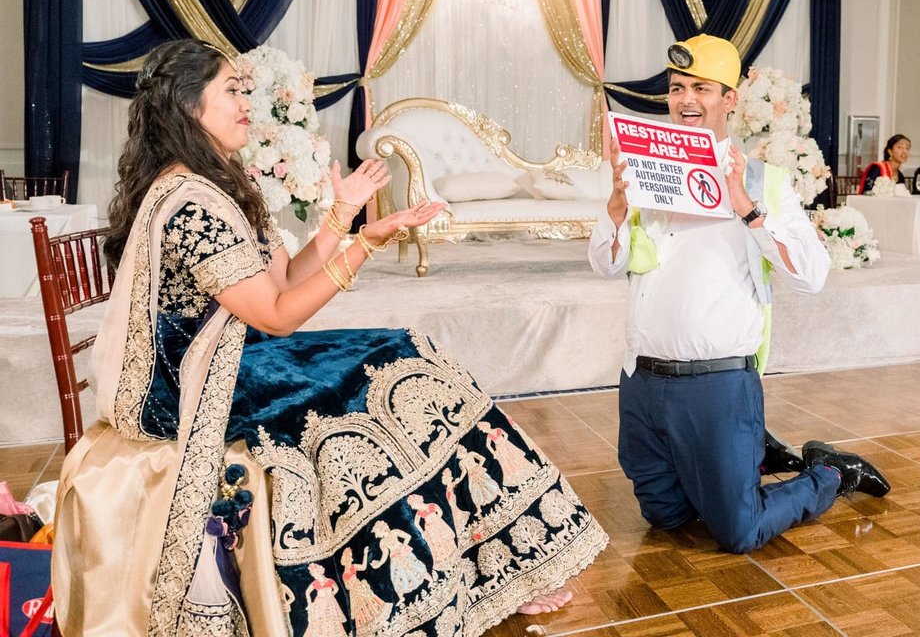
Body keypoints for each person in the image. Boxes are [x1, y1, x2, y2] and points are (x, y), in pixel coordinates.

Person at [52, 39, 607, 636]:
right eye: (232, 91)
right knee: (393, 368)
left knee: (404, 348)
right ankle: (442, 575)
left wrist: (343, 219)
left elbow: (282, 279)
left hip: (234, 354)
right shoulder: (190, 202)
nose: (246, 103)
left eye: (244, 89)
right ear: (189, 107)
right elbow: (277, 315)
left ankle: (491, 561)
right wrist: (365, 246)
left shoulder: (211, 181)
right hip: (191, 385)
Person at [589, 34, 889, 555]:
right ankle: (749, 456)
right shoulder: (646, 168)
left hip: (717, 386)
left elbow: (812, 275)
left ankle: (831, 475)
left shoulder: (763, 182)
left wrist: (747, 208)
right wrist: (616, 208)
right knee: (665, 517)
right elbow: (606, 263)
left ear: (730, 99)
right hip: (642, 381)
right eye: (677, 87)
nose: (686, 99)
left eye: (702, 88)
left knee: (737, 531)